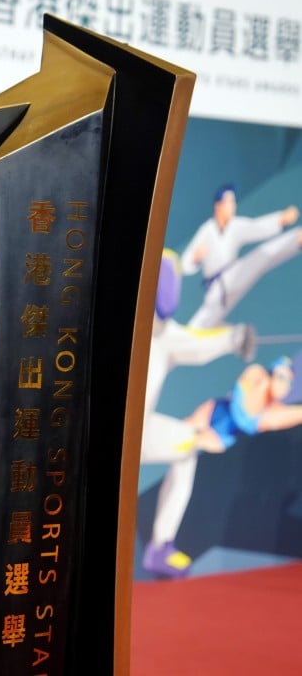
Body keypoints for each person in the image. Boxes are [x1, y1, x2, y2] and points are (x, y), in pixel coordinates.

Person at [138, 249, 255, 578]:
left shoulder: (165, 334)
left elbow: (198, 343)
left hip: (137, 432)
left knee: (187, 449)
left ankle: (160, 547)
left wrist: (234, 338)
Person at [141, 355, 302, 578]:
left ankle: (160, 548)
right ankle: (159, 548)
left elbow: (284, 416)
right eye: (283, 377)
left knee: (179, 487)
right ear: (273, 373)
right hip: (191, 433)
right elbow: (241, 412)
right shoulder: (257, 376)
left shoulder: (271, 410)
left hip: (192, 444)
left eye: (291, 382)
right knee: (143, 445)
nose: (286, 385)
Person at [181, 183, 299, 328]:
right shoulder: (207, 230)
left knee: (261, 257)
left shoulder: (235, 226)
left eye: (233, 202)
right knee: (201, 325)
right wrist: (195, 258)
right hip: (218, 288)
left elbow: (256, 227)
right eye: (229, 202)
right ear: (218, 206)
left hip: (233, 277)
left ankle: (296, 239)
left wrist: (280, 220)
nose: (233, 206)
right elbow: (185, 262)